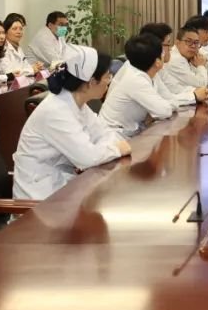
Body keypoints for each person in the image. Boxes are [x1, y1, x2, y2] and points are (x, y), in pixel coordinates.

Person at [13, 45, 131, 200]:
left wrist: (104, 149)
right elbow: (87, 158)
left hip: (63, 186)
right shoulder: (56, 111)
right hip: (40, 198)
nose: (110, 81)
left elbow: (105, 133)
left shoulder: (76, 102)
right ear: (91, 82)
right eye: (107, 76)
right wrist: (116, 149)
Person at [100, 33, 179, 137]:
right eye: (162, 53)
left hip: (133, 131)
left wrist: (154, 112)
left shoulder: (151, 75)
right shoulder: (136, 79)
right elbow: (164, 111)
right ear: (157, 62)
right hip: (114, 135)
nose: (165, 54)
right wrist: (155, 111)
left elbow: (172, 101)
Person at [138, 22, 208, 107]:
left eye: (196, 43)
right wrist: (195, 96)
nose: (170, 48)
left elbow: (174, 89)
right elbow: (162, 105)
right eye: (168, 44)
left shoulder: (156, 68)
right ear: (156, 46)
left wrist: (198, 92)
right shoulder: (139, 74)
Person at [160, 25, 208, 98]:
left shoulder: (190, 57)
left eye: (196, 42)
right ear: (177, 43)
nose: (193, 46)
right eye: (188, 41)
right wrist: (201, 66)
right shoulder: (175, 59)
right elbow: (201, 84)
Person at [2, 13, 43, 77]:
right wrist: (31, 70)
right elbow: (10, 74)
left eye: (21, 29)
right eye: (14, 29)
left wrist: (35, 67)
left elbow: (25, 66)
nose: (19, 32)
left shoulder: (18, 47)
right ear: (6, 31)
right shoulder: (2, 49)